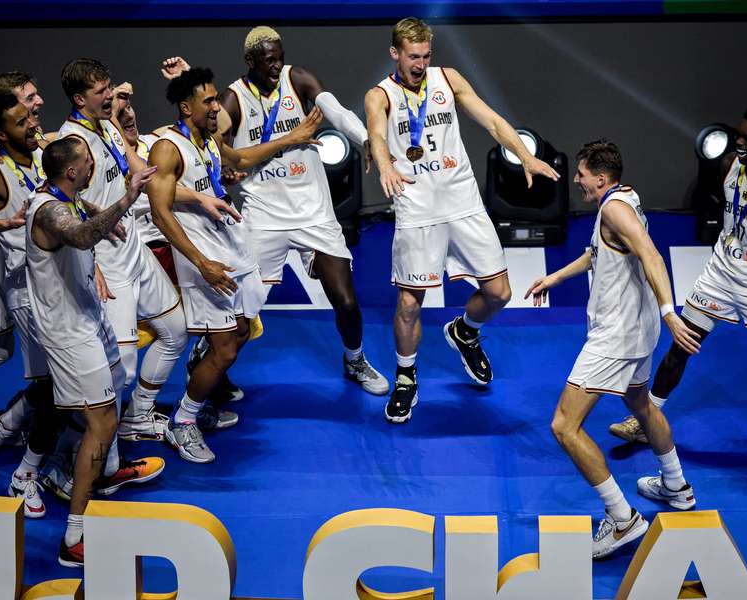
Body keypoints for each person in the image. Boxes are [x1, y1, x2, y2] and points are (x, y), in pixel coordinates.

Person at [607, 105, 747, 485]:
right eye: (739, 135)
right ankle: (646, 421)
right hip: (721, 273)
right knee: (681, 346)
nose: (739, 142)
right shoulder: (728, 164)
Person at [364, 17, 558, 423]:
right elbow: (378, 137)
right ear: (394, 53)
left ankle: (465, 330)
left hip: (462, 199)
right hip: (417, 205)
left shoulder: (448, 80)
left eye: (426, 55)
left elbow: (491, 120)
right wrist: (384, 166)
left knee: (500, 293)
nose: (420, 63)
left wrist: (525, 155)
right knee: (408, 302)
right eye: (412, 56)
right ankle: (405, 378)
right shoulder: (379, 96)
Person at [527, 139, 700, 558]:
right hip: (637, 332)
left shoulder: (615, 209)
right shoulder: (625, 199)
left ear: (601, 179)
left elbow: (652, 257)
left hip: (617, 336)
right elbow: (595, 254)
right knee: (639, 403)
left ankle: (622, 519)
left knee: (564, 426)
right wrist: (555, 278)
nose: (577, 180)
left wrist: (670, 311)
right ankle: (675, 485)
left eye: (582, 174)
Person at [148, 66, 322, 463]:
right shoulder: (167, 147)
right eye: (208, 101)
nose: (216, 106)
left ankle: (198, 384)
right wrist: (201, 262)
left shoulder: (206, 137)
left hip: (231, 248)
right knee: (225, 350)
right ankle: (184, 422)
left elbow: (240, 155)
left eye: (215, 98)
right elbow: (160, 212)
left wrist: (290, 138)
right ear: (185, 106)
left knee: (243, 330)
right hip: (205, 260)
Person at [216, 26, 389, 396]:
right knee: (242, 313)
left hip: (314, 213)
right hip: (264, 216)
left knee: (345, 299)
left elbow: (337, 111)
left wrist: (367, 142)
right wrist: (225, 167)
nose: (277, 66)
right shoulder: (233, 99)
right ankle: (214, 371)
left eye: (279, 57)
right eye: (268, 61)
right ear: (250, 62)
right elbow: (219, 146)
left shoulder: (298, 79)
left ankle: (354, 358)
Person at [26, 136, 163, 566]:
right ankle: (74, 536)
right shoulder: (49, 211)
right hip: (68, 333)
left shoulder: (65, 197)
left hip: (88, 318)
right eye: (88, 163)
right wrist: (127, 198)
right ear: (72, 171)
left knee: (108, 401)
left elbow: (83, 221)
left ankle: (93, 471)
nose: (93, 168)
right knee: (101, 422)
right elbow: (82, 236)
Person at [57, 58, 189, 443]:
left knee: (176, 331)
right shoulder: (74, 143)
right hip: (106, 262)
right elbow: (63, 204)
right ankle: (92, 451)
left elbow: (138, 173)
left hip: (133, 247)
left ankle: (140, 416)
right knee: (123, 368)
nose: (109, 95)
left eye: (109, 86)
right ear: (80, 98)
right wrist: (90, 263)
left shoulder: (107, 126)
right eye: (101, 91)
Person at [0, 92, 60, 517]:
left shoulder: (42, 156)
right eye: (20, 121)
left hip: (58, 284)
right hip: (26, 293)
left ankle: (9, 422)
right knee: (54, 388)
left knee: (63, 380)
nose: (32, 124)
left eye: (30, 116)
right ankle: (25, 473)